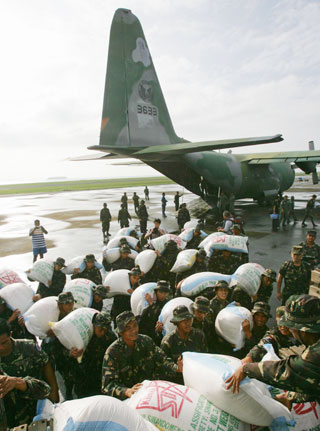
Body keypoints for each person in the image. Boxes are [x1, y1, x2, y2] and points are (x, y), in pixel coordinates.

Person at [225, 295, 320, 408]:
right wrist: (290, 397)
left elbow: (286, 371)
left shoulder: (315, 354)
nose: (288, 329)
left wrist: (246, 369)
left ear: (303, 330)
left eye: (291, 327)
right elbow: (314, 385)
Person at [102, 311, 181, 399]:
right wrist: (126, 391)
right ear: (121, 332)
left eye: (135, 325)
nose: (133, 330)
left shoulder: (146, 341)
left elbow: (162, 360)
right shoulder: (113, 352)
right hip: (127, 401)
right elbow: (108, 385)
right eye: (128, 328)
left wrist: (176, 368)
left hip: (150, 394)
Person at [0, 319, 58, 427]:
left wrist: (54, 394)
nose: (1, 348)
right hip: (10, 416)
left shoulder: (28, 347)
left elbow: (46, 364)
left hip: (36, 405)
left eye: (4, 343)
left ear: (10, 334)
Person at [72, 312, 116, 398]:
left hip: (100, 377)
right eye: (100, 329)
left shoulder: (110, 337)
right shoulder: (85, 336)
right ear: (94, 326)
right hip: (84, 376)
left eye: (105, 329)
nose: (103, 332)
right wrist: (71, 353)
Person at [161, 305, 207, 383]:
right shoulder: (168, 342)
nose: (188, 323)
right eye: (183, 321)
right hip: (177, 381)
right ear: (176, 323)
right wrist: (176, 368)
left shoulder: (199, 336)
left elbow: (206, 358)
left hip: (197, 378)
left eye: (189, 319)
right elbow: (163, 366)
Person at [138, 280, 170, 345]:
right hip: (149, 338)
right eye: (160, 292)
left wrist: (151, 304)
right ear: (156, 292)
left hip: (163, 339)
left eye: (165, 292)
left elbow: (162, 315)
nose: (163, 295)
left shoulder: (169, 304)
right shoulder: (147, 306)